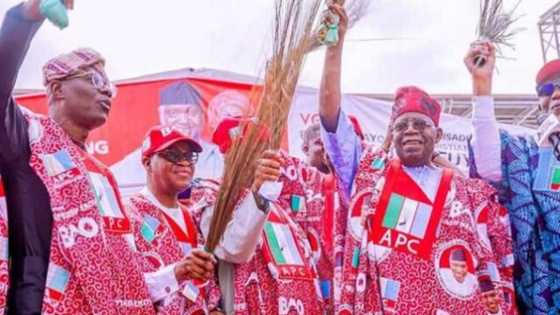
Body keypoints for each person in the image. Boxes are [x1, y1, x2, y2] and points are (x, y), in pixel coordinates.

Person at [317, 4, 516, 314]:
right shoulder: (368, 177)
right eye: (401, 125)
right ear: (392, 135)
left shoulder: (464, 191)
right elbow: (330, 118)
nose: (410, 130)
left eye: (420, 124)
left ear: (437, 136)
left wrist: (481, 87)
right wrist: (335, 45)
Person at [0, 1, 177, 313]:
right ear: (57, 90)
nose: (106, 92)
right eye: (95, 81)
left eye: (109, 85)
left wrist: (174, 273)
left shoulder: (103, 176)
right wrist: (24, 18)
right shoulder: (26, 141)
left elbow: (121, 272)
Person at [466, 41, 560, 314]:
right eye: (546, 88)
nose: (555, 92)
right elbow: (489, 168)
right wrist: (481, 86)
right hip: (546, 296)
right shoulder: (529, 151)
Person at [210, 118, 327, 314]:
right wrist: (257, 192)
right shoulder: (214, 197)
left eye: (264, 147)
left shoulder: (279, 203)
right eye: (253, 148)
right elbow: (233, 247)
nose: (261, 156)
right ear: (229, 154)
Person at [125, 126, 221, 314]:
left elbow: (207, 286)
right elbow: (127, 287)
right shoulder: (130, 213)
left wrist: (214, 307)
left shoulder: (193, 215)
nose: (184, 162)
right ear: (147, 162)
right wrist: (176, 272)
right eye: (173, 155)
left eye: (190, 156)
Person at [111, 81, 225, 195]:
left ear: (202, 116)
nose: (183, 121)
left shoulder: (220, 157)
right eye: (173, 113)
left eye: (192, 112)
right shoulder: (138, 160)